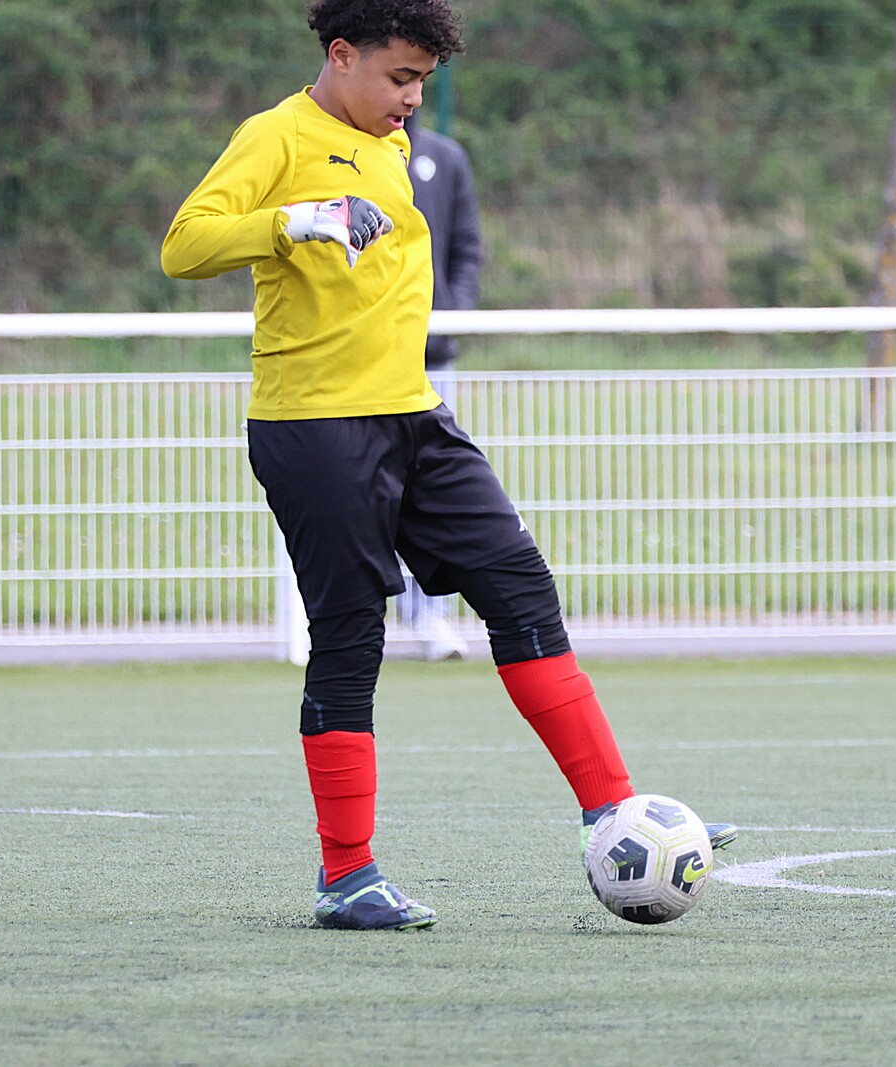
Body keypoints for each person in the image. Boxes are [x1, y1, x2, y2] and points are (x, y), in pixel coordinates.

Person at [161, 0, 735, 932]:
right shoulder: (276, 135)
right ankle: (347, 876)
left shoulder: (389, 142)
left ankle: (614, 813)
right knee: (351, 639)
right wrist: (293, 221)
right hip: (317, 429)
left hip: (415, 416)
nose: (413, 99)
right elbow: (184, 244)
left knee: (521, 588)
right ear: (341, 55)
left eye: (423, 81)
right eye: (400, 77)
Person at [397, 109, 480, 661]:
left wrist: (453, 314)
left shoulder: (445, 158)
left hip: (432, 357)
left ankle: (430, 617)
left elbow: (467, 249)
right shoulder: (339, 156)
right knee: (362, 488)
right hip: (356, 361)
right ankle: (342, 618)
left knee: (430, 486)